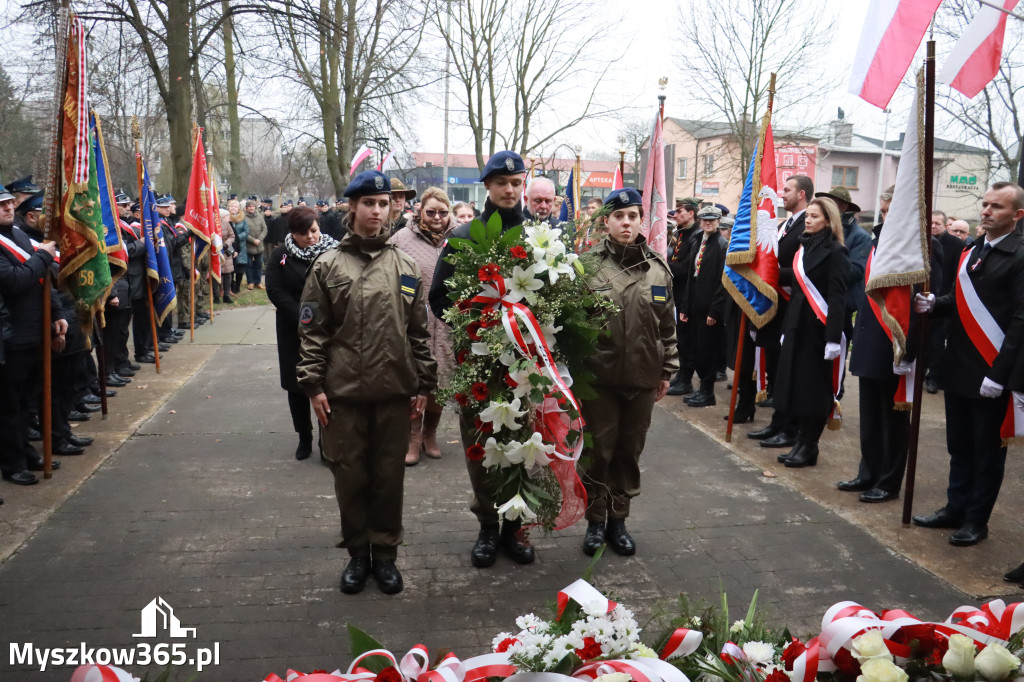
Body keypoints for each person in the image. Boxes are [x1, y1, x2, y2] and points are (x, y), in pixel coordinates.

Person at [297, 170, 437, 595]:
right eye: (369, 203)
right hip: (343, 398)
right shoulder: (327, 265)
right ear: (352, 208)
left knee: (389, 478)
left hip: (395, 394)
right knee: (351, 478)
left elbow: (418, 333)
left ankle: (387, 555)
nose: (378, 211)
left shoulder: (406, 266)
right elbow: (312, 332)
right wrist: (314, 386)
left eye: (384, 204)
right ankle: (358, 556)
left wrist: (424, 386)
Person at [428, 150, 537, 568]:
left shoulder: (537, 234)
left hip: (527, 365)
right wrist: (480, 323)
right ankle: (488, 528)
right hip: (480, 363)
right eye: (501, 183)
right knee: (482, 445)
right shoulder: (462, 236)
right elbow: (440, 297)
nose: (510, 190)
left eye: (516, 183)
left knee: (526, 442)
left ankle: (516, 527)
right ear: (487, 186)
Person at [912, 182, 1024, 547]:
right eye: (986, 204)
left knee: (987, 452)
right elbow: (961, 299)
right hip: (959, 363)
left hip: (991, 370)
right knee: (958, 445)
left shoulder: (1020, 254)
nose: (987, 211)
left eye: (997, 207)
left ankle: (977, 520)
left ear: (1017, 215)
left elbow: (1021, 319)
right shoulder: (973, 248)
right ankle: (954, 508)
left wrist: (1000, 374)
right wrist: (936, 303)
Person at [580, 188, 677, 557]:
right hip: (600, 380)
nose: (626, 223)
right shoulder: (587, 266)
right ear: (606, 221)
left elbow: (667, 326)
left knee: (628, 452)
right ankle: (594, 521)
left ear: (641, 222)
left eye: (633, 216)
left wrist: (668, 369)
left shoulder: (657, 270)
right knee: (598, 452)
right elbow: (573, 326)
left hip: (642, 378)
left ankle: (618, 521)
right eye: (619, 216)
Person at [839, 212, 942, 502]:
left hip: (896, 343)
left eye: (891, 207)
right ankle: (868, 472)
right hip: (870, 340)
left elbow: (926, 302)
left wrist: (911, 350)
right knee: (870, 417)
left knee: (893, 421)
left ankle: (889, 481)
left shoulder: (925, 246)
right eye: (886, 207)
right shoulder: (879, 239)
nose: (887, 212)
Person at [773, 196, 850, 468]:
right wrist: (786, 328)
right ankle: (800, 442)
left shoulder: (836, 251)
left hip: (819, 331)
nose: (808, 220)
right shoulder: (802, 249)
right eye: (808, 216)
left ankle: (810, 446)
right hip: (797, 327)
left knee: (814, 390)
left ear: (828, 221)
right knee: (798, 387)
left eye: (815, 216)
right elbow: (795, 294)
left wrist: (832, 338)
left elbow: (838, 297)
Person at [0, 182, 65, 485]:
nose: (9, 208)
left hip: (37, 329)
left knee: (29, 400)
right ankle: (12, 463)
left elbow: (43, 281)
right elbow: (15, 279)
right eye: (2, 205)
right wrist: (44, 256)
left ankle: (26, 451)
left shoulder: (18, 235)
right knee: (10, 405)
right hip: (13, 336)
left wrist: (57, 315)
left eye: (11, 203)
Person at [266, 206, 339, 461]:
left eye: (314, 231)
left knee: (325, 383)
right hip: (292, 328)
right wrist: (301, 316)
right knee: (297, 386)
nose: (310, 237)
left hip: (328, 328)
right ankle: (304, 436)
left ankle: (325, 439)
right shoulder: (281, 255)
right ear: (292, 233)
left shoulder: (333, 251)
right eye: (304, 233)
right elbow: (275, 290)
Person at [748, 174, 814, 448]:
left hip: (792, 305)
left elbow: (803, 268)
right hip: (776, 306)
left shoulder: (808, 224)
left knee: (788, 372)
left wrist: (771, 274)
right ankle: (777, 422)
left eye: (786, 190)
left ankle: (789, 428)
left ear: (801, 194)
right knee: (775, 367)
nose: (781, 194)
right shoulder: (784, 224)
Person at [392, 187, 456, 466]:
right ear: (420, 211)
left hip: (447, 321)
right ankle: (413, 437)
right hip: (413, 321)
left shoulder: (460, 236)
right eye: (431, 212)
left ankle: (431, 433)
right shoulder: (401, 239)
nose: (437, 217)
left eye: (443, 212)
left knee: (440, 381)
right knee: (414, 380)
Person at [677, 205, 729, 408]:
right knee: (696, 348)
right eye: (705, 220)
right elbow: (691, 276)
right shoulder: (696, 240)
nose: (708, 223)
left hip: (709, 308)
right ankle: (700, 390)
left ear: (718, 222)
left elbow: (722, 281)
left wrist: (715, 310)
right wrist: (684, 306)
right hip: (694, 304)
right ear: (699, 221)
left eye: (712, 220)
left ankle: (707, 392)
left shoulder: (722, 245)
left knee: (708, 351)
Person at [924, 209, 964, 393]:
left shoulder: (956, 245)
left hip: (944, 301)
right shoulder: (921, 241)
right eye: (930, 223)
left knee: (937, 342)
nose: (933, 226)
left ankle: (934, 377)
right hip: (922, 299)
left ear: (945, 225)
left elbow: (958, 273)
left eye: (937, 224)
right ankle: (919, 373)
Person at [667, 197, 701, 396]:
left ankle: (686, 379)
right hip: (676, 293)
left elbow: (686, 267)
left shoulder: (695, 236)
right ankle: (680, 376)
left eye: (680, 211)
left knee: (687, 339)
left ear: (691, 214)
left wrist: (664, 265)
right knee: (679, 338)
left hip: (687, 294)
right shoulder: (681, 234)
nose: (676, 214)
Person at [227, 199, 249, 294]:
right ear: (228, 208)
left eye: (235, 207)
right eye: (231, 206)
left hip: (241, 245)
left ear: (238, 209)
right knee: (230, 267)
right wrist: (231, 239)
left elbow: (246, 231)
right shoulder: (226, 218)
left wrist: (237, 237)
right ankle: (231, 286)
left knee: (240, 267)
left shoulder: (243, 219)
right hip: (229, 245)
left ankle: (237, 286)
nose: (233, 208)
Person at [244, 199, 267, 290]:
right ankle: (250, 282)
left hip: (259, 245)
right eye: (250, 206)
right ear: (246, 208)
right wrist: (253, 240)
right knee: (249, 265)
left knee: (259, 264)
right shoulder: (243, 218)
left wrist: (259, 239)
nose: (252, 208)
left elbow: (264, 229)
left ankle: (258, 282)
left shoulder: (260, 216)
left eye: (253, 206)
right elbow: (243, 232)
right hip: (248, 245)